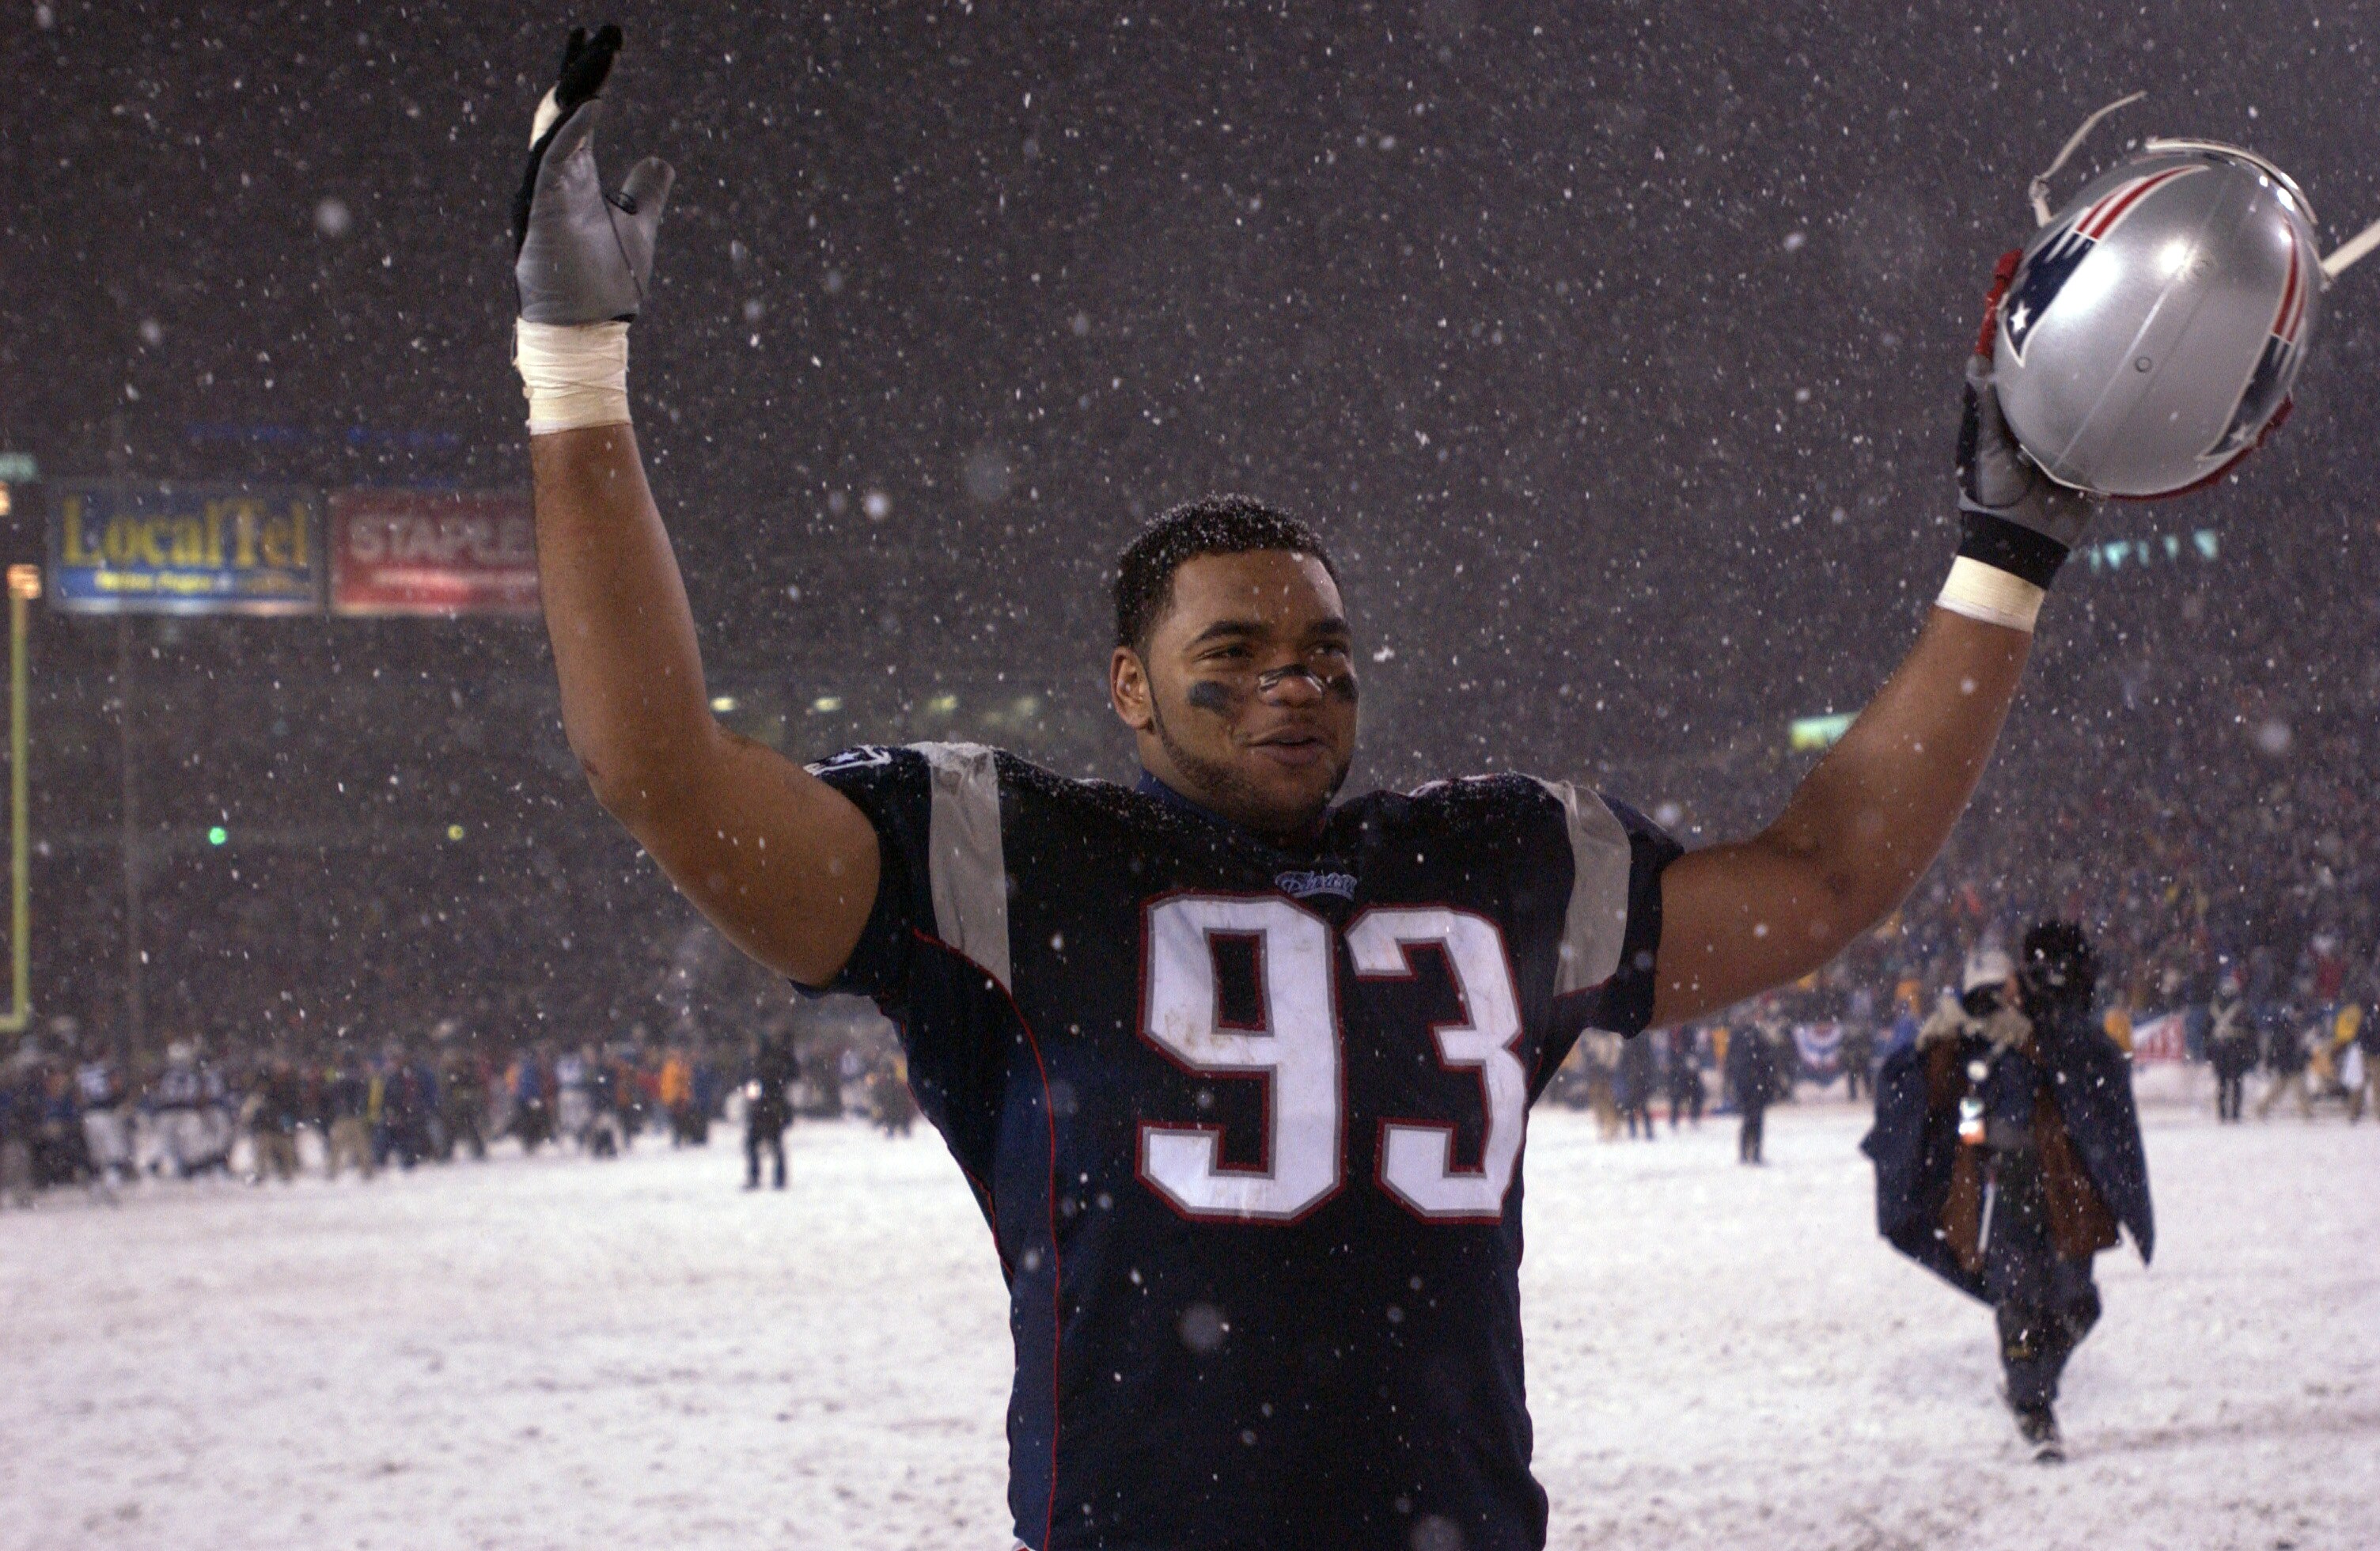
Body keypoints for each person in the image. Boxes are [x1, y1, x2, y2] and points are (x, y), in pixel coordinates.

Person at [512, 31, 2109, 1547]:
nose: (1298, 675)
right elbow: (656, 764)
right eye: (1239, 645)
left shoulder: (1492, 859)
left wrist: (2007, 556)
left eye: (1327, 644)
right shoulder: (1008, 860)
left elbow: (1826, 877)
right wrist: (576, 371)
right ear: (1126, 687)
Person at [1863, 925, 2153, 1461]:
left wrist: (2030, 1042)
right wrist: (1951, 1057)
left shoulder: (2061, 1033)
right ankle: (2034, 1410)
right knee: (2018, 1304)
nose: (2002, 998)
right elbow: (1961, 1107)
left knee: (2075, 1305)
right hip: (2008, 1189)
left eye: (2006, 988)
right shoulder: (1974, 1044)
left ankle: (2030, 1390)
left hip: (2064, 1188)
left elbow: (2086, 1081)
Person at [742, 1030, 794, 1190]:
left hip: (767, 1111)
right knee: (772, 1144)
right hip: (769, 1111)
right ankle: (777, 1178)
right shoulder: (770, 1062)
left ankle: (760, 1177)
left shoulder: (762, 1065)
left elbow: (760, 1088)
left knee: (759, 1144)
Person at [1726, 1016, 1779, 1165]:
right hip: (1753, 1084)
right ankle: (1751, 1153)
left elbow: (1732, 1062)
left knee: (1751, 1120)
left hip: (1751, 1084)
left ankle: (1749, 1153)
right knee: (1753, 1120)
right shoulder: (1752, 1035)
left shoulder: (1742, 1035)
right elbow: (1766, 1060)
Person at [2207, 974, 2256, 1124]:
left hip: (2221, 1050)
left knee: (2222, 1084)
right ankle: (2234, 1113)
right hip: (2236, 1049)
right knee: (2236, 1084)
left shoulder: (2214, 1007)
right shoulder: (2241, 1008)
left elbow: (2206, 1031)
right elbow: (2251, 1030)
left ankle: (2223, 1114)